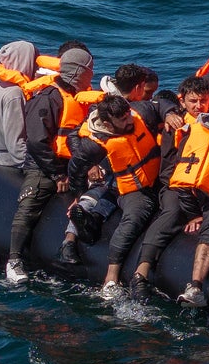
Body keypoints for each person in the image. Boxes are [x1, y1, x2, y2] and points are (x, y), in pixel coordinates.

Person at [129, 94, 209, 305]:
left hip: (208, 192)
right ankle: (141, 272)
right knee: (172, 212)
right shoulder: (179, 129)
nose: (198, 106)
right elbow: (171, 172)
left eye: (202, 101)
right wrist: (193, 214)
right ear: (183, 103)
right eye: (192, 102)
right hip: (174, 185)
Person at [6, 47, 93, 283]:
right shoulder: (49, 98)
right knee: (30, 203)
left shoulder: (79, 96)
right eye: (89, 70)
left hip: (73, 165)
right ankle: (14, 260)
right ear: (77, 72)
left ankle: (69, 245)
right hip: (44, 166)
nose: (92, 74)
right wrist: (57, 175)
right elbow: (36, 141)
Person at [65, 94, 165, 301]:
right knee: (133, 219)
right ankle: (111, 278)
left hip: (161, 177)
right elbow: (75, 168)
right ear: (108, 124)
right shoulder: (96, 144)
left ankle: (92, 218)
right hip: (135, 189)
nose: (129, 121)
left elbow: (160, 104)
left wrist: (171, 112)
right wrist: (77, 194)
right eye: (123, 120)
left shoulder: (139, 113)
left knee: (105, 200)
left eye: (128, 115)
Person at [0, 40, 37, 170]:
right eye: (34, 60)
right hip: (11, 162)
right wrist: (33, 167)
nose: (36, 66)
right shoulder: (15, 93)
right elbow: (15, 142)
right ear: (25, 61)